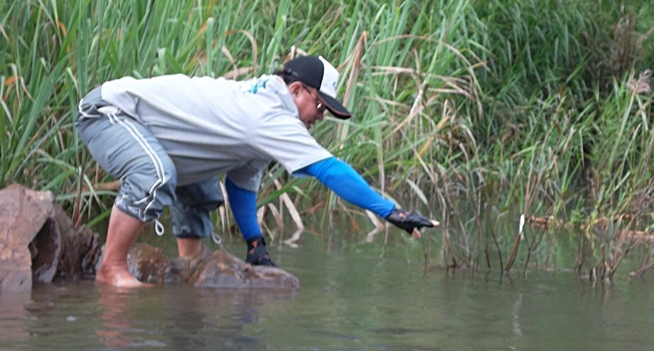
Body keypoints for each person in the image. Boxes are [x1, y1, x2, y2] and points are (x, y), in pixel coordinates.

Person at [75, 55, 439, 287]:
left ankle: (188, 270)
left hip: (148, 130)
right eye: (320, 106)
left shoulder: (264, 115)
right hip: (109, 112)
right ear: (296, 90)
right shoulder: (270, 116)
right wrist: (391, 211)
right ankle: (112, 267)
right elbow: (329, 169)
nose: (320, 117)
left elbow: (241, 185)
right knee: (157, 175)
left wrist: (255, 245)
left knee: (203, 188)